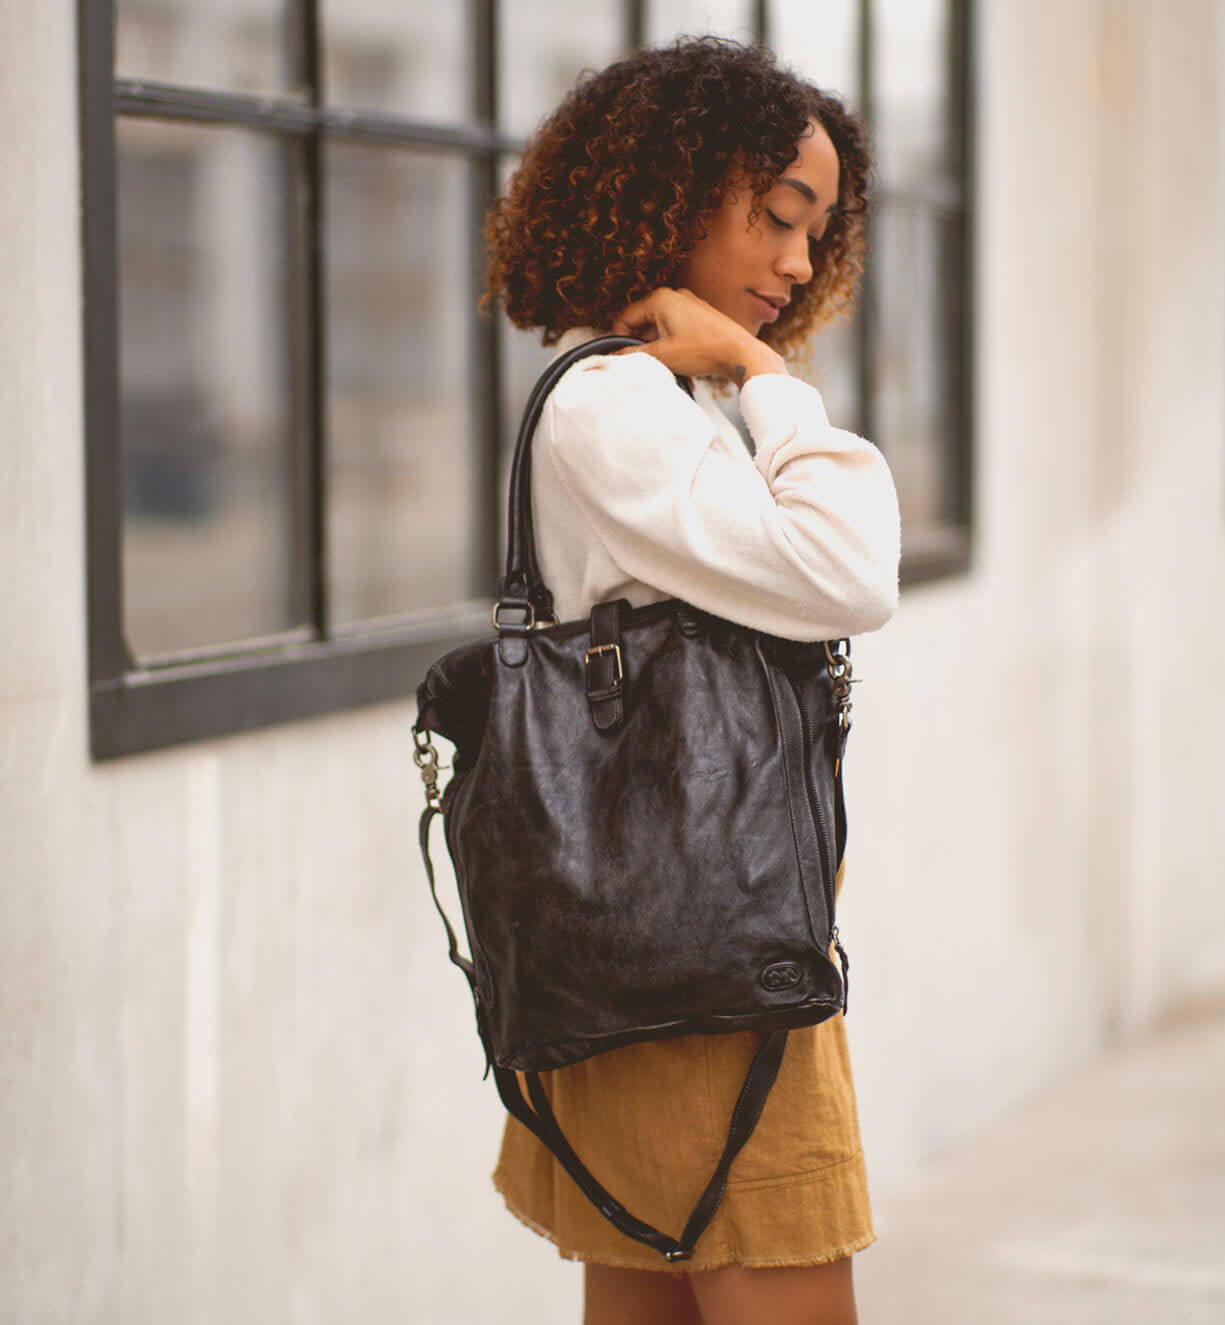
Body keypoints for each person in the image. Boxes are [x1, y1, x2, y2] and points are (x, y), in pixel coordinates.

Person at [482, 36, 901, 1325]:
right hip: (708, 972)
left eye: (815, 232)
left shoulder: (664, 399)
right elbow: (846, 570)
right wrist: (775, 382)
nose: (794, 262)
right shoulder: (621, 407)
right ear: (670, 191)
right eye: (778, 217)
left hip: (669, 951)